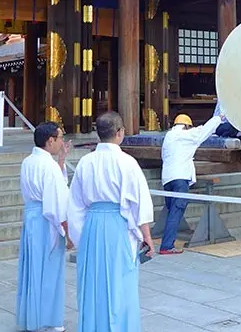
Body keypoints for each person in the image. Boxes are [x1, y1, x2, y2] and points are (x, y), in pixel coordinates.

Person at [68, 111, 153, 331]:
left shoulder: (86, 163)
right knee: (120, 282)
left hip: (92, 225)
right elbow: (139, 202)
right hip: (118, 224)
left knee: (93, 282)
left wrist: (78, 236)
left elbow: (75, 204)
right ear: (119, 133)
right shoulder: (127, 162)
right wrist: (147, 236)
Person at [17, 122, 72, 332]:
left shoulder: (29, 161)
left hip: (32, 218)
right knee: (49, 271)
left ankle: (32, 316)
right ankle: (47, 321)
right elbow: (56, 201)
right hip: (46, 219)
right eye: (59, 138)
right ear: (50, 141)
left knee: (33, 269)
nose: (61, 142)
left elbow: (49, 185)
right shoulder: (47, 166)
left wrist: (61, 159)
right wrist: (67, 232)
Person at [159, 112, 223, 255]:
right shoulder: (186, 135)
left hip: (167, 179)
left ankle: (168, 241)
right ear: (187, 126)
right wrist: (219, 118)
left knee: (172, 212)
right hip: (180, 179)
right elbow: (204, 131)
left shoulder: (169, 136)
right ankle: (166, 246)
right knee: (176, 212)